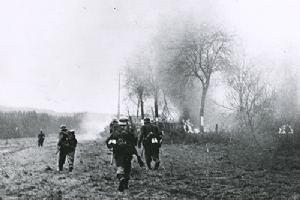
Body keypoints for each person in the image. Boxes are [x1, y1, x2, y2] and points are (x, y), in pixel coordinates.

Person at [106, 119, 142, 192]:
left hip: (119, 153)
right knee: (127, 168)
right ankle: (126, 184)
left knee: (120, 168)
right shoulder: (130, 131)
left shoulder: (116, 131)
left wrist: (111, 147)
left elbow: (109, 142)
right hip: (128, 153)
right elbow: (134, 142)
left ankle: (121, 179)